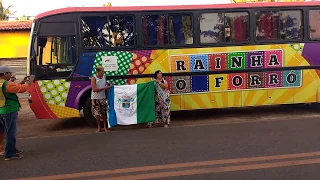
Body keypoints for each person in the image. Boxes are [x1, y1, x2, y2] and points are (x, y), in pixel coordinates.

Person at [0, 66, 35, 160]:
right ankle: (9, 154)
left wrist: (22, 82)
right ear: (5, 74)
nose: (11, 75)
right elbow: (22, 89)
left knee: (7, 131)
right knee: (11, 133)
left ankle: (12, 149)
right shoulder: (7, 84)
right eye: (9, 73)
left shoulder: (3, 83)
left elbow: (14, 87)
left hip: (2, 110)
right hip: (9, 111)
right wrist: (30, 81)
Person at [91, 66, 111, 133]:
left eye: (103, 71)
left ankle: (105, 127)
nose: (103, 72)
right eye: (102, 71)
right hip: (95, 98)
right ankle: (99, 127)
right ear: (98, 71)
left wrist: (108, 86)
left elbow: (105, 84)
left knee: (104, 113)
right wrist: (104, 88)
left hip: (102, 97)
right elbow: (94, 89)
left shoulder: (104, 77)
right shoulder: (94, 78)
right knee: (97, 113)